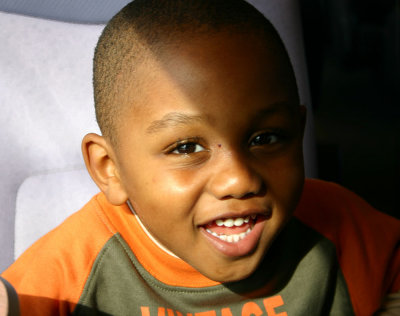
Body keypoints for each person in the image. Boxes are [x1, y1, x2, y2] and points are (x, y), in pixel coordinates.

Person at [2, 0, 400, 315]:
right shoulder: (75, 265)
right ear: (110, 169)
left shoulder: (340, 226)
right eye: (186, 148)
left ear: (297, 133)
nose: (239, 179)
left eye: (265, 138)